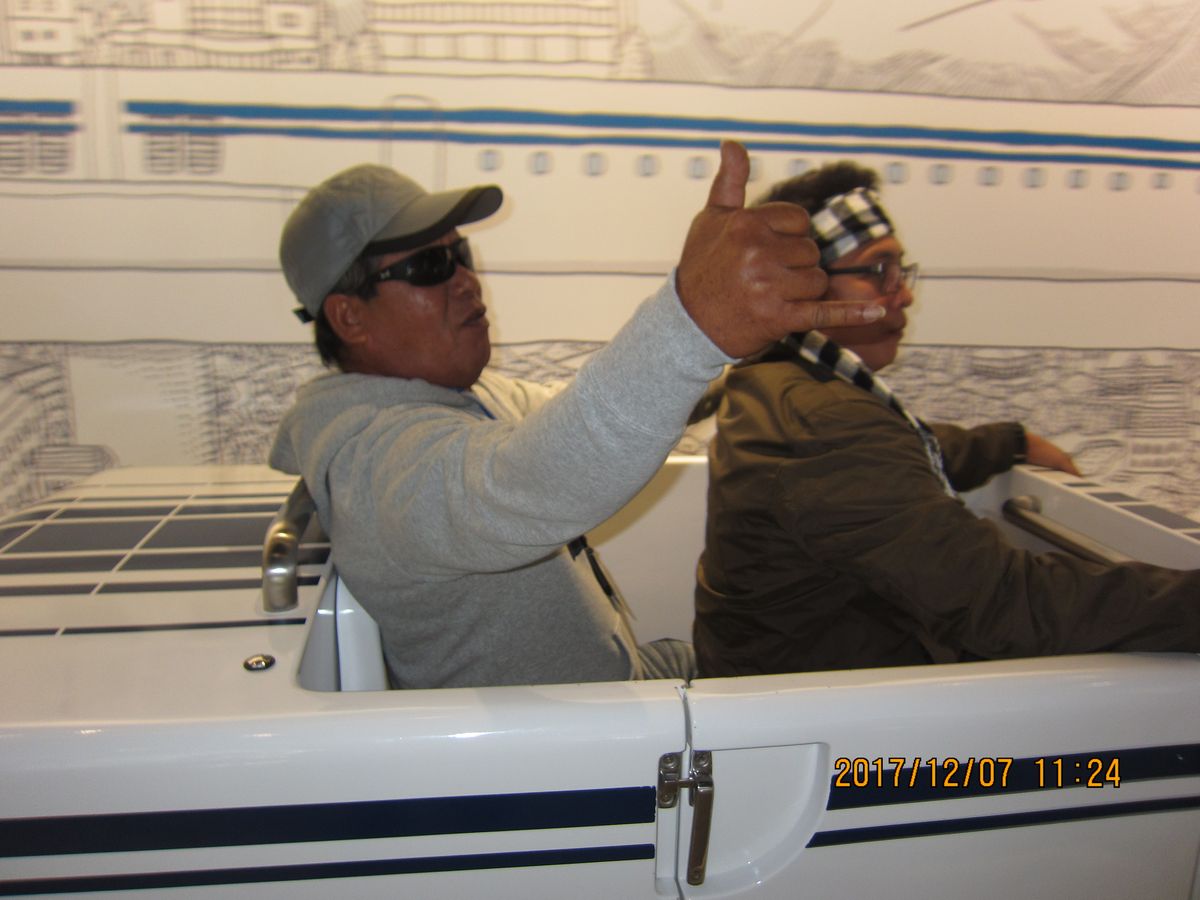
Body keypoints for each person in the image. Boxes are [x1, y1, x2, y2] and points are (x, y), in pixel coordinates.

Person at [268, 142, 885, 689]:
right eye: (430, 267)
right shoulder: (376, 463)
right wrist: (694, 322)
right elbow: (531, 479)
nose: (467, 282)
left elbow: (575, 420)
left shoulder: (451, 398)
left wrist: (740, 332)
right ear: (350, 317)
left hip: (614, 689)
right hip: (568, 753)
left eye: (462, 254)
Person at [693, 161, 1200, 677]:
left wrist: (1009, 442)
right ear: (803, 294)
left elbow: (893, 458)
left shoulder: (773, 385)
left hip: (782, 677)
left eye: (900, 271)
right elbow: (1001, 605)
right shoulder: (824, 420)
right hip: (840, 716)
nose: (904, 294)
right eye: (877, 271)